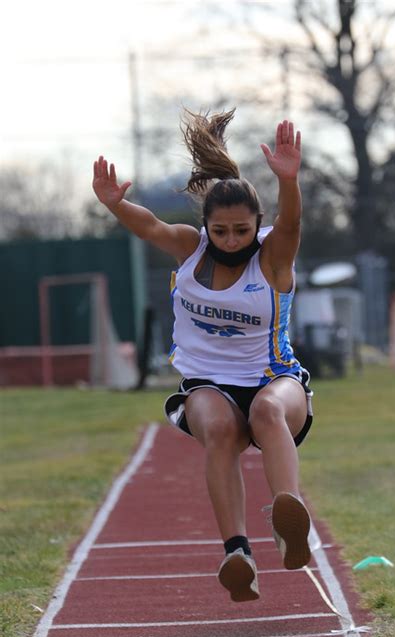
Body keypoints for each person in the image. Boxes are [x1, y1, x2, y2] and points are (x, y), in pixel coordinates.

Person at [92, 109, 314, 603]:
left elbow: (292, 222)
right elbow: (148, 225)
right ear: (206, 227)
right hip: (207, 382)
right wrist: (114, 205)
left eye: (241, 230)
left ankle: (288, 518)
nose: (231, 240)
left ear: (257, 225)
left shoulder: (273, 258)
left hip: (272, 378)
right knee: (216, 429)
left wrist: (288, 181)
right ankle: (238, 552)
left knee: (266, 410)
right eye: (221, 231)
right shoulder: (190, 250)